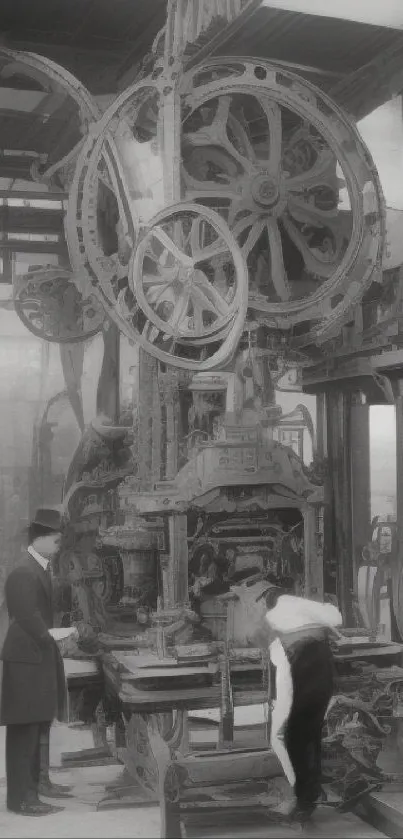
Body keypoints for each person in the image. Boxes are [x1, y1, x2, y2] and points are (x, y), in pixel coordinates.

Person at [0, 508, 72, 816]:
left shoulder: (36, 568)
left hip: (34, 657)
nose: (58, 548)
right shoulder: (23, 572)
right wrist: (58, 634)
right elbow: (28, 618)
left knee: (35, 725)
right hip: (26, 661)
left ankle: (33, 791)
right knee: (24, 731)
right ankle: (21, 800)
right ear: (40, 539)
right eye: (56, 542)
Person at [259, 583, 343, 823]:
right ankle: (309, 795)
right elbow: (334, 615)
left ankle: (305, 799)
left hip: (308, 669)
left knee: (292, 736)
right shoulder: (299, 608)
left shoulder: (275, 616)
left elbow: (257, 638)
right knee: (307, 735)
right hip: (319, 667)